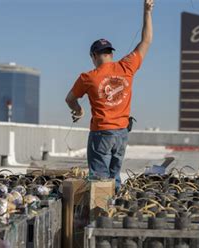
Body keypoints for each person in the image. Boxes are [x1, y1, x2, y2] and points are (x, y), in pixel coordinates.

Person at [65, 0, 154, 190]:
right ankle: (116, 211)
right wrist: (147, 12)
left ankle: (101, 216)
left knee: (99, 181)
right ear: (110, 54)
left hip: (101, 134)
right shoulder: (126, 66)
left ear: (94, 56)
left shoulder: (88, 77)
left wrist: (78, 110)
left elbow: (70, 99)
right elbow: (146, 41)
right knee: (114, 178)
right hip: (122, 133)